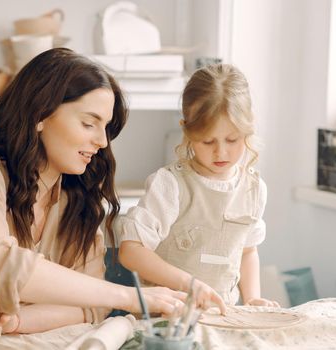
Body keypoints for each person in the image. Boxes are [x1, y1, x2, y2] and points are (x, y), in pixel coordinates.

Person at [0, 48, 185, 335]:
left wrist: (13, 319)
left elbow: (90, 308)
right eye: (88, 123)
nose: (102, 141)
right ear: (39, 115)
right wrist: (130, 297)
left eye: (106, 127)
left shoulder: (74, 197)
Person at [118, 63, 279, 311]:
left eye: (232, 139)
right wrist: (189, 284)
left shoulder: (254, 189)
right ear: (187, 130)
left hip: (223, 317)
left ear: (248, 128)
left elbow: (248, 251)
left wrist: (251, 299)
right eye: (208, 141)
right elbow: (131, 251)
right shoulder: (171, 185)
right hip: (168, 319)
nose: (221, 151)